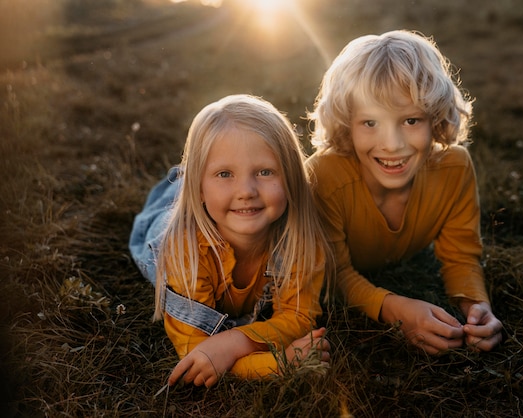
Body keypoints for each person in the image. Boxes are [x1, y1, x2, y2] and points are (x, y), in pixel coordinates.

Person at [305, 30, 502, 355]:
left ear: (435, 119)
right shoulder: (323, 177)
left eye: (411, 120)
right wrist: (397, 310)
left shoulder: (455, 168)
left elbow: (461, 255)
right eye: (370, 123)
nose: (392, 144)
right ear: (346, 124)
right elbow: (334, 274)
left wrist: (477, 308)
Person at [129, 94, 331, 388]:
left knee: (213, 192)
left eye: (265, 172)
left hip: (208, 199)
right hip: (168, 223)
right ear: (199, 187)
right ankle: (181, 181)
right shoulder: (185, 251)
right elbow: (197, 352)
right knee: (167, 202)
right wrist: (276, 364)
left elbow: (298, 316)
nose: (246, 190)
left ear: (291, 178)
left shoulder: (299, 240)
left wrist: (233, 343)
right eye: (226, 173)